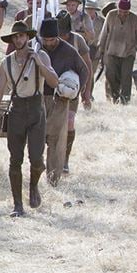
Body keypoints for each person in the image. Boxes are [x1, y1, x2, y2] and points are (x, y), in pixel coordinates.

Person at [0, 21, 57, 216]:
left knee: (36, 160)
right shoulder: (6, 62)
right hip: (16, 111)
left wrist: (39, 63)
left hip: (36, 110)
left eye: (22, 36)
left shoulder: (40, 55)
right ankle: (17, 205)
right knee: (14, 160)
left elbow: (54, 81)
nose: (19, 39)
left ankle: (33, 186)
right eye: (16, 37)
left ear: (28, 37)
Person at [36, 17, 89, 185]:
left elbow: (84, 71)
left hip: (59, 99)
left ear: (57, 37)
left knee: (55, 139)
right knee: (37, 137)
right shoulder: (36, 49)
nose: (49, 43)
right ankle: (36, 172)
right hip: (38, 98)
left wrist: (75, 93)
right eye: (46, 40)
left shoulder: (68, 51)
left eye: (52, 39)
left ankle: (53, 177)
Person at [55, 13, 94, 173]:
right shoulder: (49, 40)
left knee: (70, 121)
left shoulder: (78, 40)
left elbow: (87, 66)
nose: (62, 37)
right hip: (53, 89)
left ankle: (65, 159)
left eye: (64, 34)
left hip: (73, 89)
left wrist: (86, 92)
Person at [97, 0, 137, 104]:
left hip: (128, 52)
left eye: (126, 12)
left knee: (126, 77)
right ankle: (115, 97)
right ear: (118, 9)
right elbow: (104, 32)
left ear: (129, 11)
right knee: (111, 75)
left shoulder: (135, 19)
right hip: (112, 51)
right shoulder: (111, 15)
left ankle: (125, 100)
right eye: (121, 11)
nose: (123, 14)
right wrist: (101, 48)